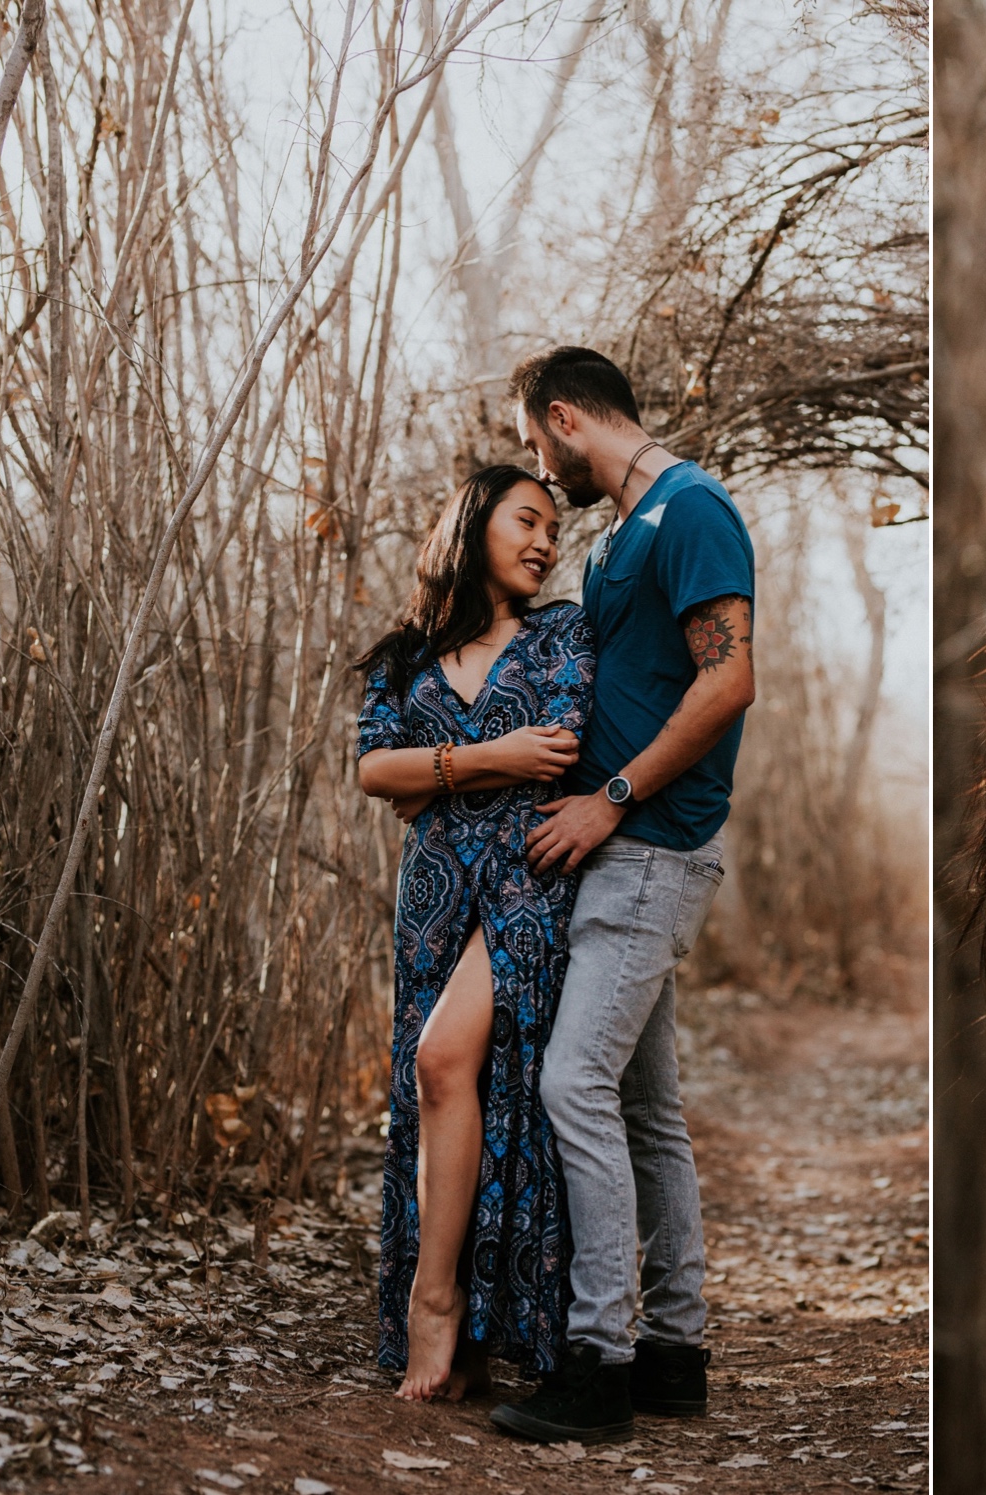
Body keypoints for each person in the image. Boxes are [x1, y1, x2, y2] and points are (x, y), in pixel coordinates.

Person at [488, 347, 755, 1444]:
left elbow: (729, 678)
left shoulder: (693, 510)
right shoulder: (623, 532)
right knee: (644, 1108)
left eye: (533, 441)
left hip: (649, 846)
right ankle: (674, 1352)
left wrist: (608, 797)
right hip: (621, 851)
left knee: (572, 1084)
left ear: (562, 417)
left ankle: (598, 1364)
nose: (537, 467)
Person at [354, 466, 596, 1401]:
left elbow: (562, 743)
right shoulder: (402, 654)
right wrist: (490, 756)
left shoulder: (563, 632)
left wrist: (437, 771)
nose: (543, 540)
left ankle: (436, 1301)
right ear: (472, 524)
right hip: (435, 894)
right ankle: (466, 1332)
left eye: (551, 528)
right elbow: (375, 770)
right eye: (525, 521)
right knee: (447, 1091)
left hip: (529, 877)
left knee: (447, 1060)